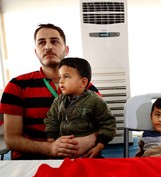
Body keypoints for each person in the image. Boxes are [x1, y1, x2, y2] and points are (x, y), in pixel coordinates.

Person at [0, 23, 101, 159]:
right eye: (41, 43)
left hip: (78, 157)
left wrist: (89, 140)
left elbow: (103, 125)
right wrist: (50, 149)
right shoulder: (17, 86)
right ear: (36, 52)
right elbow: (12, 139)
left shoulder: (86, 87)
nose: (48, 46)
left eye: (54, 41)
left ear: (66, 50)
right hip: (31, 161)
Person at [44, 57, 116, 158]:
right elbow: (51, 121)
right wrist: (51, 144)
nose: (61, 81)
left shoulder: (95, 100)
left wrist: (98, 147)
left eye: (66, 77)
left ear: (83, 82)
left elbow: (109, 124)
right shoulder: (58, 101)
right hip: (64, 153)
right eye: (60, 77)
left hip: (89, 153)